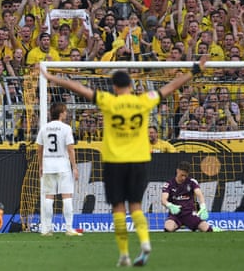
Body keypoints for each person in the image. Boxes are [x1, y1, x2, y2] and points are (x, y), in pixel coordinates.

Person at [41, 55, 208, 267]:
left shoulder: (108, 101)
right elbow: (171, 86)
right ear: (130, 85)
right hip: (138, 161)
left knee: (118, 208)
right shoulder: (143, 100)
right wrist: (194, 70)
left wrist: (52, 77)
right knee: (136, 206)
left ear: (113, 87)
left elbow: (78, 88)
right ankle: (145, 242)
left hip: (115, 162)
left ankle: (124, 254)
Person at [36, 102, 81, 237]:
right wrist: (74, 167)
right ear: (61, 113)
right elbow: (70, 149)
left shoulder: (44, 128)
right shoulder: (66, 128)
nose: (66, 113)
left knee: (49, 197)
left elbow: (39, 149)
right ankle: (68, 228)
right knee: (66, 196)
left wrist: (40, 165)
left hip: (48, 165)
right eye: (65, 111)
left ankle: (47, 229)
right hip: (63, 165)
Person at [161, 161, 220, 232]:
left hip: (189, 214)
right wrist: (170, 205)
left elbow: (200, 195)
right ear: (177, 171)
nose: (183, 178)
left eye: (185, 176)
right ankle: (178, 225)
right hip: (175, 215)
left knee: (208, 229)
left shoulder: (191, 182)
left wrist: (203, 206)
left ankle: (195, 225)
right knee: (168, 228)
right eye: (181, 175)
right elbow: (163, 200)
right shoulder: (169, 184)